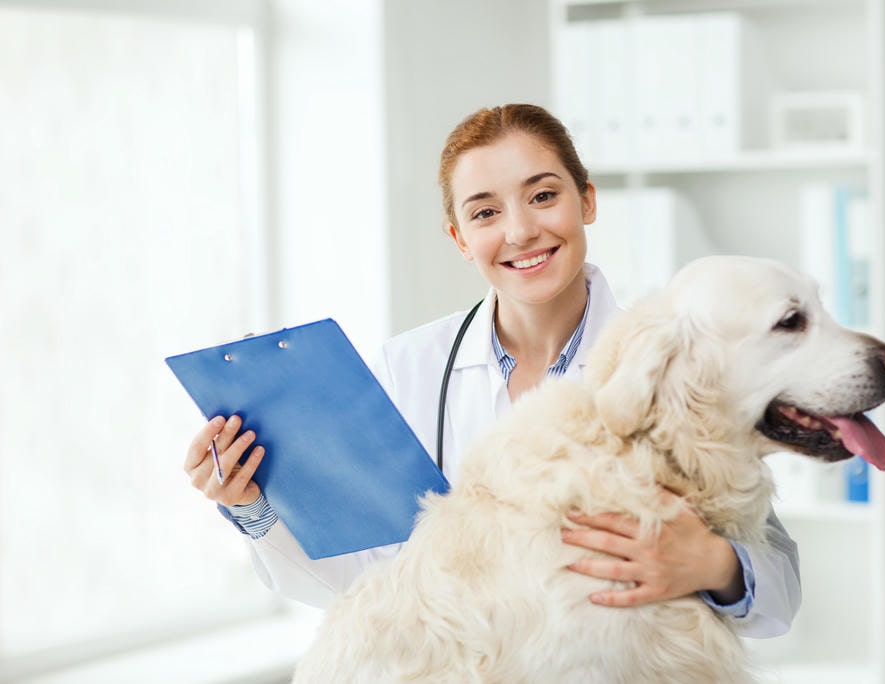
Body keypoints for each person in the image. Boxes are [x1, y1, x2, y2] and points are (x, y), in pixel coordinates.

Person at [183, 103, 801, 637]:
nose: (521, 231)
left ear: (586, 199)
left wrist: (715, 566)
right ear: (459, 237)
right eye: (485, 213)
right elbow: (370, 585)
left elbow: (780, 593)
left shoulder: (673, 361)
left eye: (543, 195)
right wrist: (256, 508)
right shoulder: (406, 369)